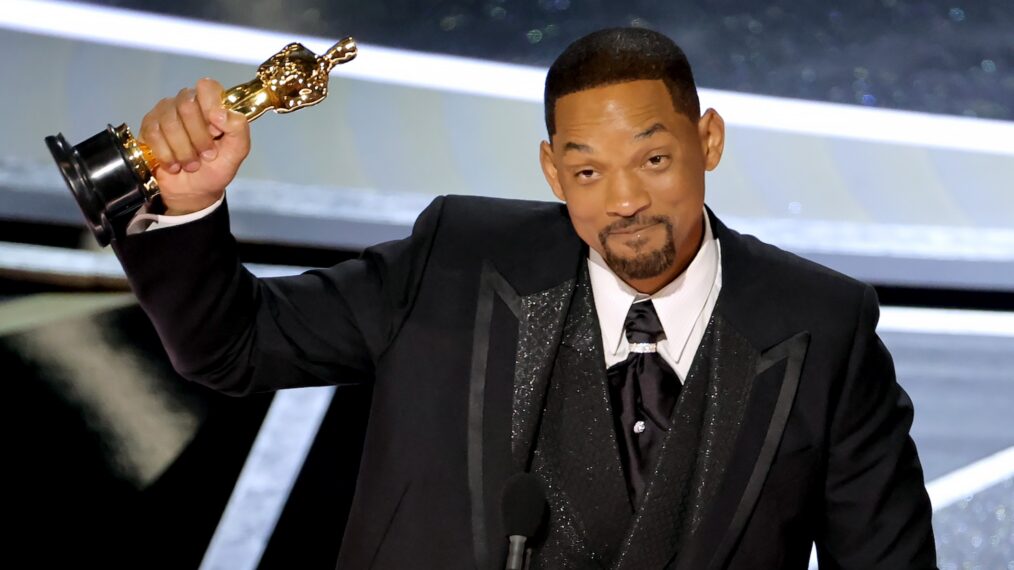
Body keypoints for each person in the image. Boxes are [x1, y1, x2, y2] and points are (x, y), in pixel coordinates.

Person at [113, 28, 936, 569]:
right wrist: (188, 208)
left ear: (707, 140)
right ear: (551, 172)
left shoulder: (823, 326)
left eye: (652, 161)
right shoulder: (455, 263)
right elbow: (232, 346)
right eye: (587, 171)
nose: (623, 201)